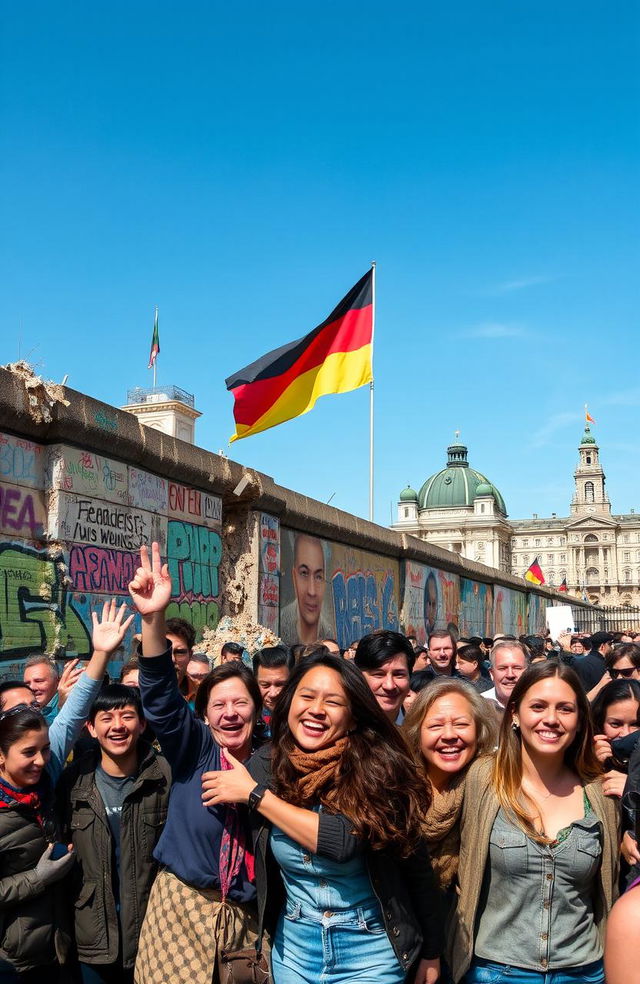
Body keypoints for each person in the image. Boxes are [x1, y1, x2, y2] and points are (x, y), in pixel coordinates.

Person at [201, 651, 444, 984]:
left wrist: (431, 952)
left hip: (369, 955)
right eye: (307, 696)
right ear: (289, 704)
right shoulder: (267, 765)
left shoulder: (379, 770)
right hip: (294, 954)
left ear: (354, 717)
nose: (316, 710)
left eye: (333, 702)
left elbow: (345, 842)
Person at [127, 544, 262, 984]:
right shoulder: (197, 748)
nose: (230, 713)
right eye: (218, 704)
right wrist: (153, 619)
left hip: (248, 920)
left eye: (240, 702)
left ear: (258, 712)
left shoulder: (273, 762)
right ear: (203, 714)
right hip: (180, 913)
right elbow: (161, 698)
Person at [451, 661, 619, 984]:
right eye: (538, 706)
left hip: (582, 972)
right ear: (514, 713)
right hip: (497, 970)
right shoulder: (484, 779)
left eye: (565, 709)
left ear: (580, 719)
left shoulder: (600, 793)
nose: (551, 719)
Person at [57, 684, 170, 984]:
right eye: (106, 718)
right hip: (92, 938)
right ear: (91, 728)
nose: (117, 726)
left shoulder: (164, 778)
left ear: (142, 724)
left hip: (152, 933)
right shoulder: (73, 783)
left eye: (127, 716)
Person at [0, 703, 76, 982]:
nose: (42, 761)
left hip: (57, 947)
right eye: (29, 752)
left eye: (45, 749)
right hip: (13, 962)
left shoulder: (45, 794)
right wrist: (38, 878)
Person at [403, 678, 498, 893]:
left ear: (479, 731)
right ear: (417, 733)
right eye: (436, 725)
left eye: (461, 724)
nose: (449, 736)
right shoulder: (395, 789)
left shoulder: (492, 787)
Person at [591, 679, 640, 799]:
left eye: (635, 724)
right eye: (615, 724)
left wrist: (632, 790)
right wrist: (590, 765)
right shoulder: (580, 757)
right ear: (600, 722)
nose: (625, 733)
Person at [280, 533, 332, 646]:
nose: (312, 591)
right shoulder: (281, 624)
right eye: (304, 573)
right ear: (294, 577)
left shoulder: (327, 632)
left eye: (318, 577)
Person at [354, 630, 414, 724]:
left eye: (398, 675)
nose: (389, 686)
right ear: (359, 676)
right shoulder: (343, 730)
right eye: (378, 674)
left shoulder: (421, 730)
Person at [252, 645, 294, 736]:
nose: (273, 693)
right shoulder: (248, 720)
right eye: (265, 685)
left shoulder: (303, 719)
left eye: (280, 684)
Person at [480, 640, 529, 711]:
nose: (510, 675)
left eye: (517, 668)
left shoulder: (541, 703)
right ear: (492, 673)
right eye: (502, 668)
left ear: (527, 671)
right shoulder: (477, 707)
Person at [165, 617, 195, 696]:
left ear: (190, 655)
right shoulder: (138, 697)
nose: (172, 659)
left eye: (179, 652)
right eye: (165, 653)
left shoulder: (204, 697)